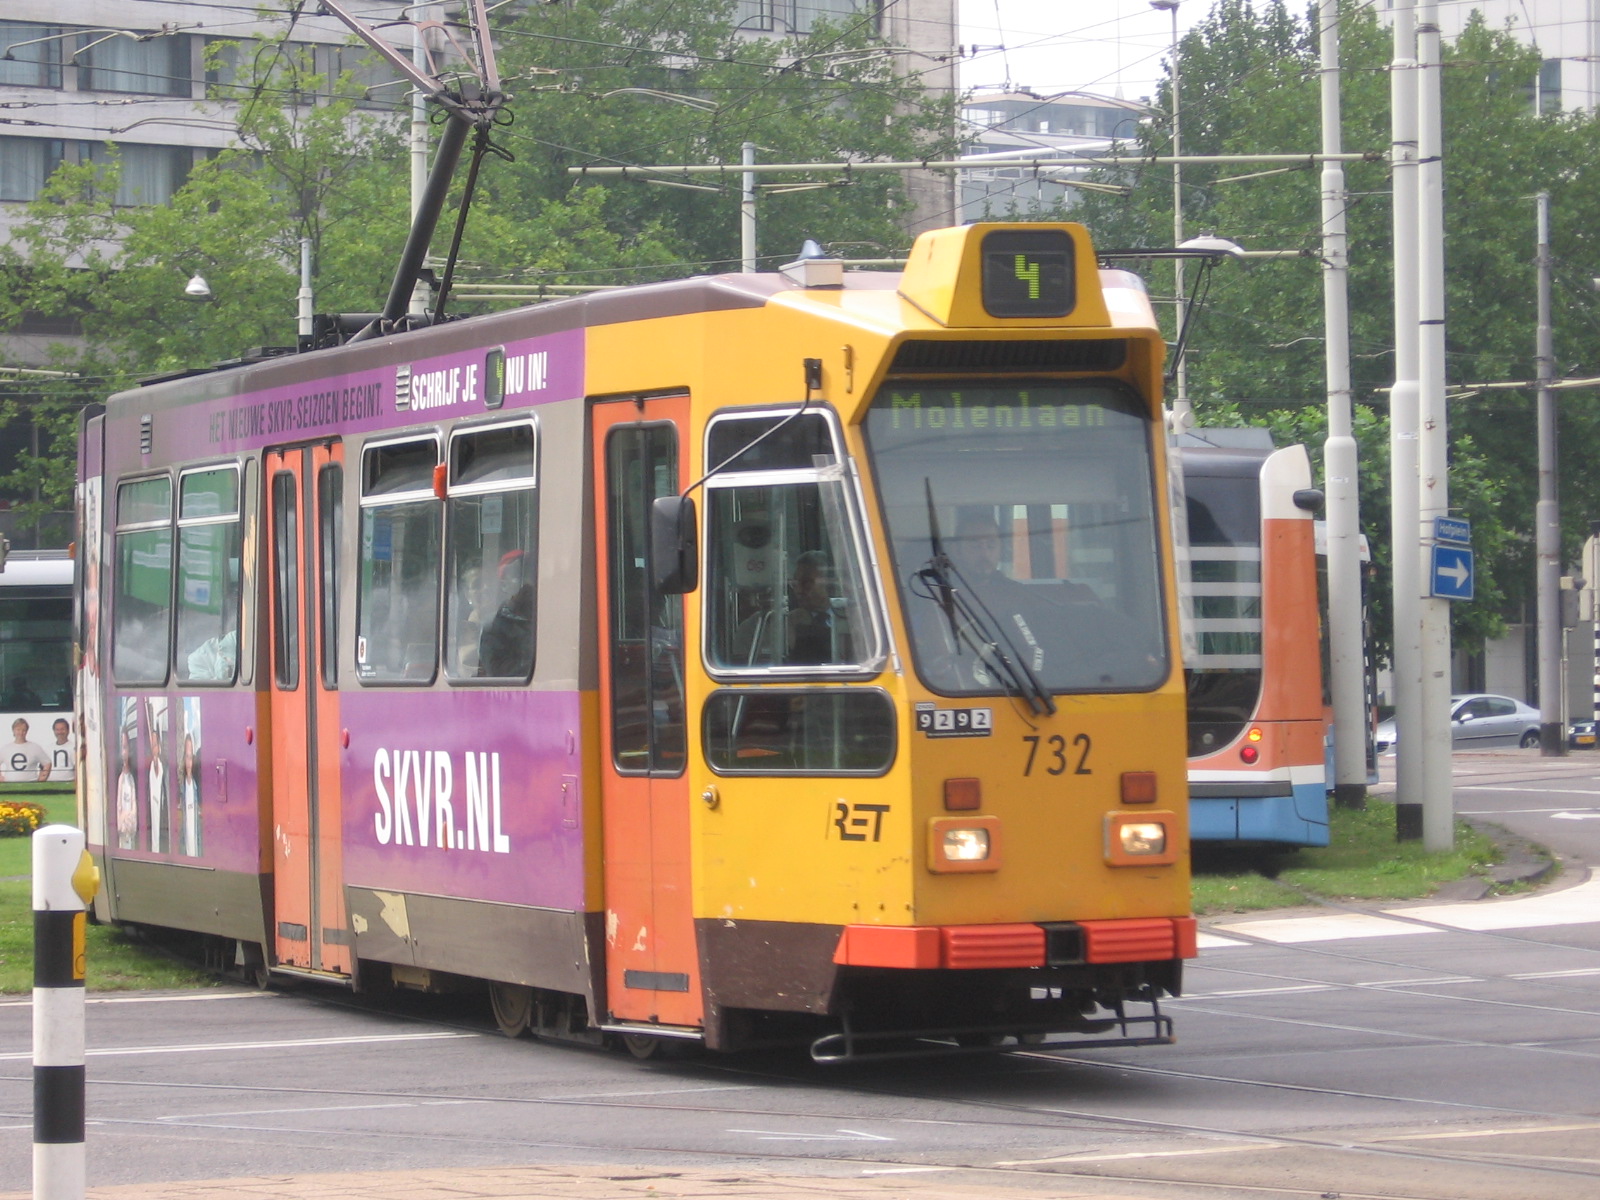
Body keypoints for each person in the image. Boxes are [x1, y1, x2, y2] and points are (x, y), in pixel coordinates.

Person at [478, 549, 534, 678]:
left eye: (529, 576)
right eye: (519, 577)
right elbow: (499, 671)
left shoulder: (546, 619)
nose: (527, 583)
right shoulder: (494, 627)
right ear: (504, 585)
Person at [784, 551, 837, 665]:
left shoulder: (854, 620)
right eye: (795, 584)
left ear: (829, 584)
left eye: (806, 583)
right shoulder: (785, 624)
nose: (798, 591)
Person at [3, 718, 50, 784]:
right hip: (10, 786)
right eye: (18, 730)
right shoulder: (6, 748)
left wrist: (41, 779)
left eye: (23, 730)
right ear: (13, 730)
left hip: (30, 785)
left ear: (27, 731)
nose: (21, 733)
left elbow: (47, 763)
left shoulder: (35, 747)